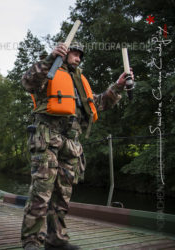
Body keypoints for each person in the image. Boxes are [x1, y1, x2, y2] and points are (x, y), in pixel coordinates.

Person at [20, 42, 134, 250]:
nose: (78, 58)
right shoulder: (49, 71)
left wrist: (117, 86)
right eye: (75, 53)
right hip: (47, 139)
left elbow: (98, 103)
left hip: (71, 145)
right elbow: (28, 82)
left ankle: (56, 240)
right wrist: (49, 58)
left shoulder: (81, 81)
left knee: (63, 195)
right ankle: (32, 240)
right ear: (64, 53)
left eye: (80, 55)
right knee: (41, 191)